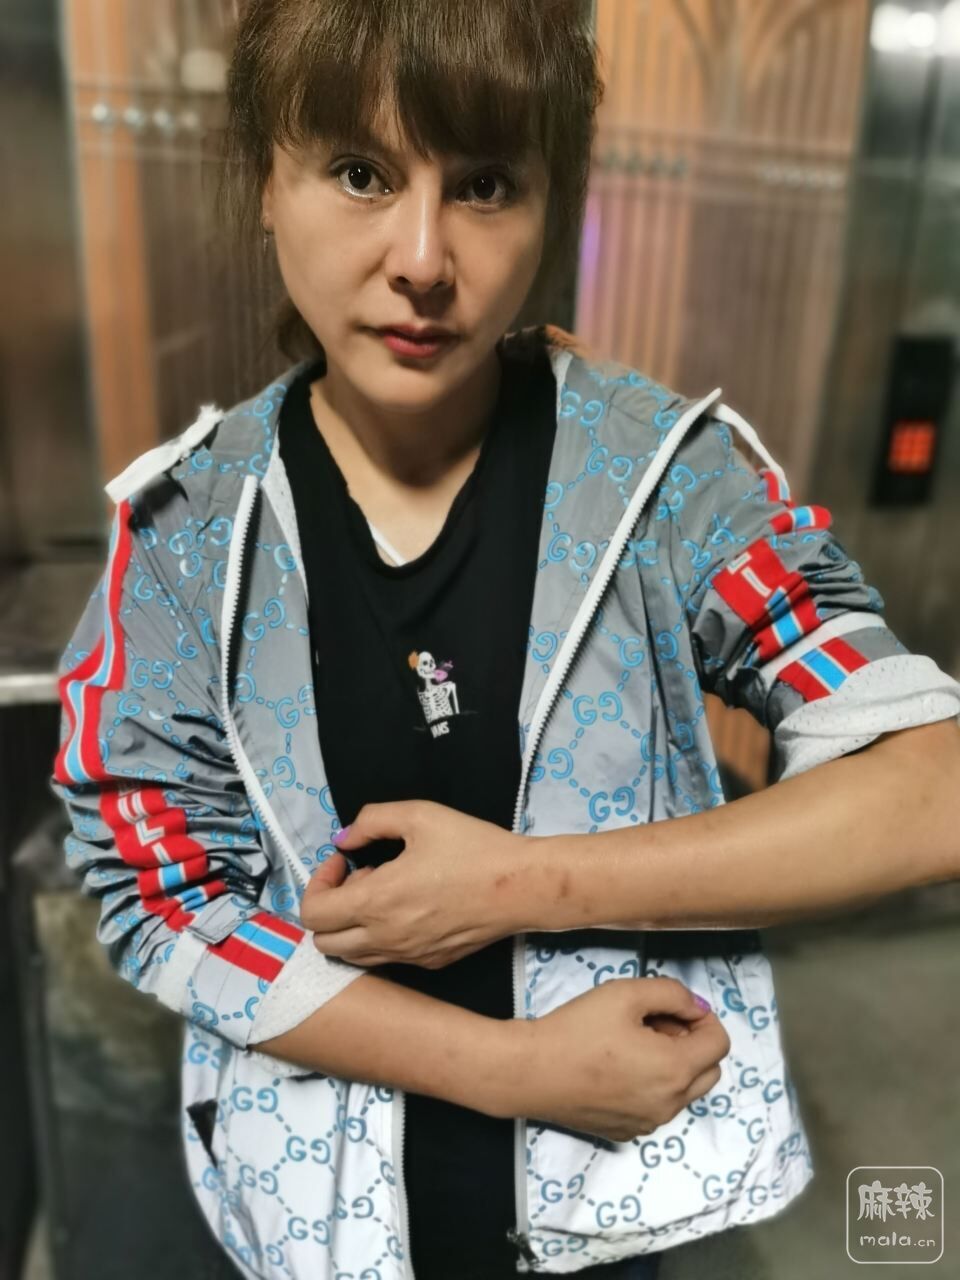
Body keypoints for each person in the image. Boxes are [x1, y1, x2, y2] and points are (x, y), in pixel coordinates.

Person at [49, 2, 960, 1278]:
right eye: (360, 173)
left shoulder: (665, 484)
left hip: (608, 1204)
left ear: (551, 202)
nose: (424, 259)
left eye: (483, 185)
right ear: (265, 182)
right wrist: (515, 1067)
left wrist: (511, 882)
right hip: (311, 1220)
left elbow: (931, 789)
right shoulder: (190, 532)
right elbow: (164, 900)